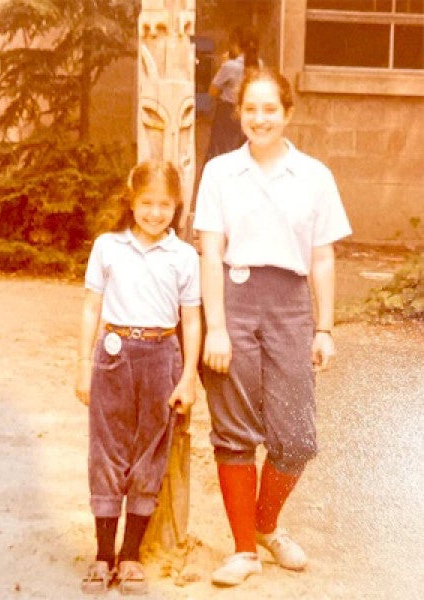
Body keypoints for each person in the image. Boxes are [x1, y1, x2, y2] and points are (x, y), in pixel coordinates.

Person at [193, 66, 352, 587]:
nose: (259, 118)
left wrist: (324, 328)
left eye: (270, 109)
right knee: (235, 429)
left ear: (287, 113)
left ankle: (266, 524)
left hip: (290, 306)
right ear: (239, 113)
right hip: (233, 302)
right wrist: (215, 327)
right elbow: (210, 253)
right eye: (250, 109)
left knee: (298, 437)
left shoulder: (314, 175)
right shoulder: (219, 172)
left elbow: (323, 258)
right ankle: (243, 550)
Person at [75, 160, 201, 595]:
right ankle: (103, 555)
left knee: (150, 453)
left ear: (176, 206)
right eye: (146, 203)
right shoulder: (108, 247)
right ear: (131, 202)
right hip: (114, 356)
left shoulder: (184, 256)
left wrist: (187, 378)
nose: (154, 213)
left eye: (164, 205)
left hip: (162, 355)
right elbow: (92, 307)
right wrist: (82, 366)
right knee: (107, 452)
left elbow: (192, 318)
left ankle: (130, 557)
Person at [204, 26, 259, 162]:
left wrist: (222, 65)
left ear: (236, 44)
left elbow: (212, 91)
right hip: (249, 110)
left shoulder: (230, 66)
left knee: (221, 151)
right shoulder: (259, 65)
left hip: (227, 113)